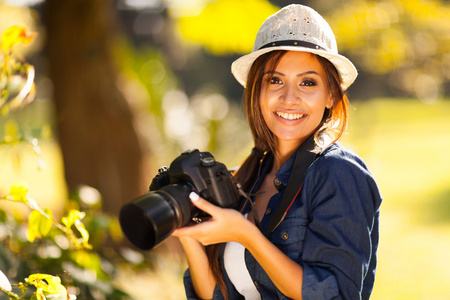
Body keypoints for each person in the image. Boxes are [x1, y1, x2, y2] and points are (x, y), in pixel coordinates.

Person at [172, 4, 382, 300]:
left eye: (308, 82)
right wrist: (187, 230)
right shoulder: (248, 177)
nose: (289, 98)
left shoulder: (338, 172)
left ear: (331, 95)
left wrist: (245, 235)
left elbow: (334, 293)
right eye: (275, 80)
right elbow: (219, 295)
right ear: (257, 90)